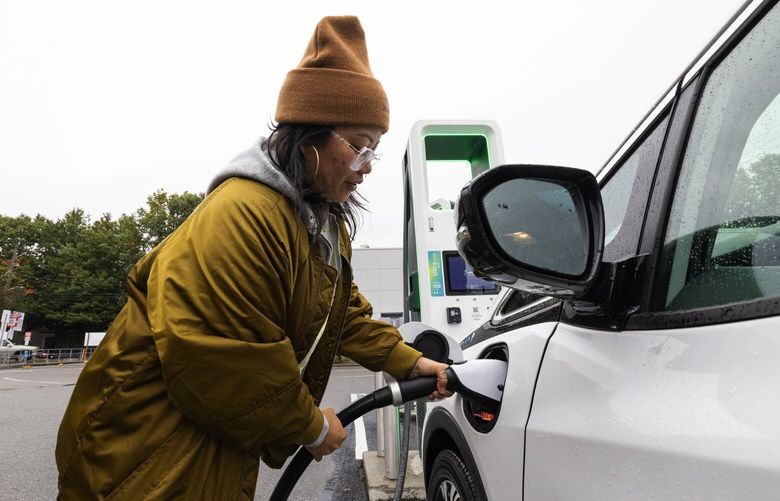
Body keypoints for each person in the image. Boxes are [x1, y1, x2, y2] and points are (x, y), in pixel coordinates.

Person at [55, 15, 450, 500]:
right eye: (358, 147)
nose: (366, 168)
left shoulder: (317, 224)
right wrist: (307, 426)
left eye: (375, 152)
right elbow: (223, 353)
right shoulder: (245, 214)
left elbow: (337, 315)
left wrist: (408, 362)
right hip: (144, 452)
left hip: (207, 438)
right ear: (309, 138)